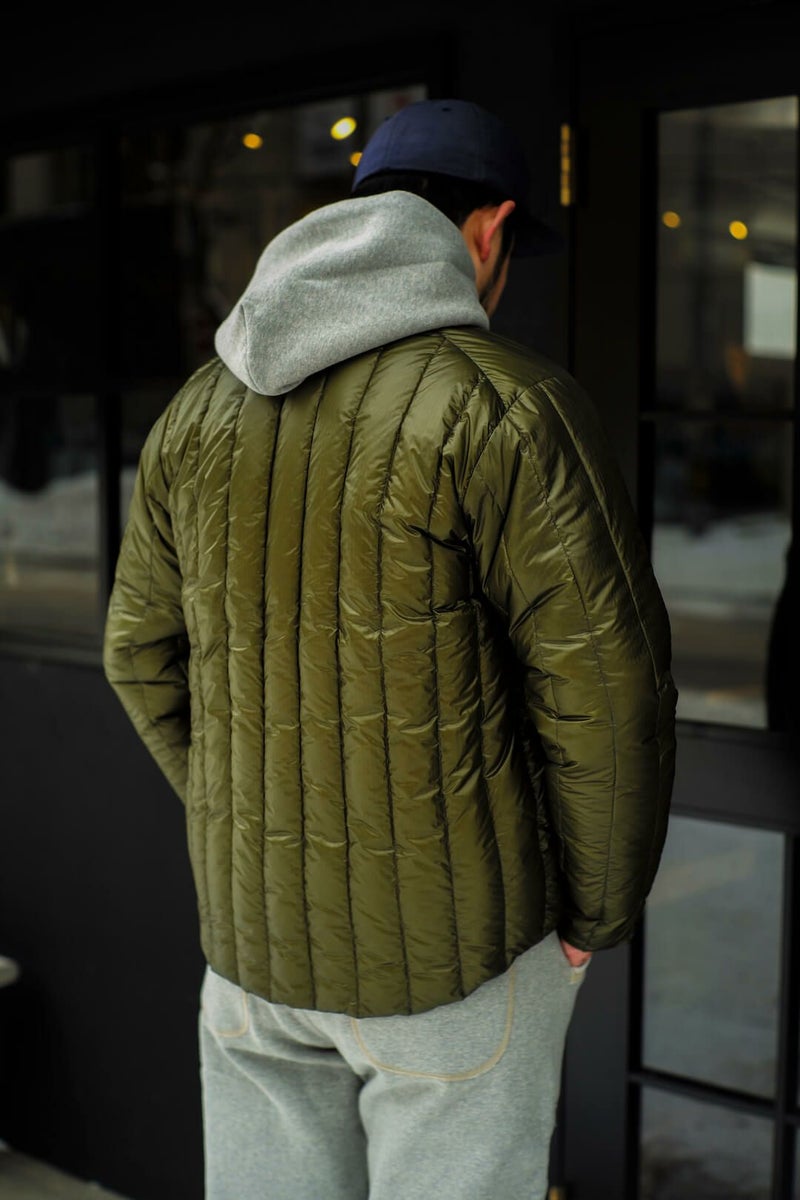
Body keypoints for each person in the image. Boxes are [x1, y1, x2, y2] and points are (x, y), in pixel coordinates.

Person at [102, 98, 678, 1200]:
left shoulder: (196, 413)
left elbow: (139, 654)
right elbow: (607, 694)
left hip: (255, 956)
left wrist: (242, 816)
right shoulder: (505, 405)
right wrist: (592, 915)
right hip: (459, 955)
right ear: (487, 229)